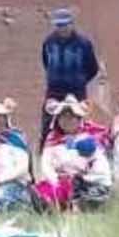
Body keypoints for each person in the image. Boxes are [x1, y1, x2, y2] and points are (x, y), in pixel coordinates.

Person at [38, 95, 110, 208]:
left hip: (85, 182)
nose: (67, 121)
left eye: (71, 117)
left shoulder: (88, 138)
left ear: (78, 119)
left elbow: (98, 165)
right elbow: (46, 164)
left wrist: (84, 178)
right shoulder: (52, 139)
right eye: (63, 117)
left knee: (87, 198)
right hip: (58, 181)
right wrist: (55, 180)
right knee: (45, 195)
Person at [41, 8, 101, 143]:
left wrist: (80, 81)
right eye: (58, 25)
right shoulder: (48, 43)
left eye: (65, 25)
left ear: (71, 24)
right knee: (48, 124)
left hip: (77, 91)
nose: (62, 29)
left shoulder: (84, 43)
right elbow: (46, 63)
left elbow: (93, 68)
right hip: (54, 91)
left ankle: (81, 152)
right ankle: (46, 151)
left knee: (79, 123)